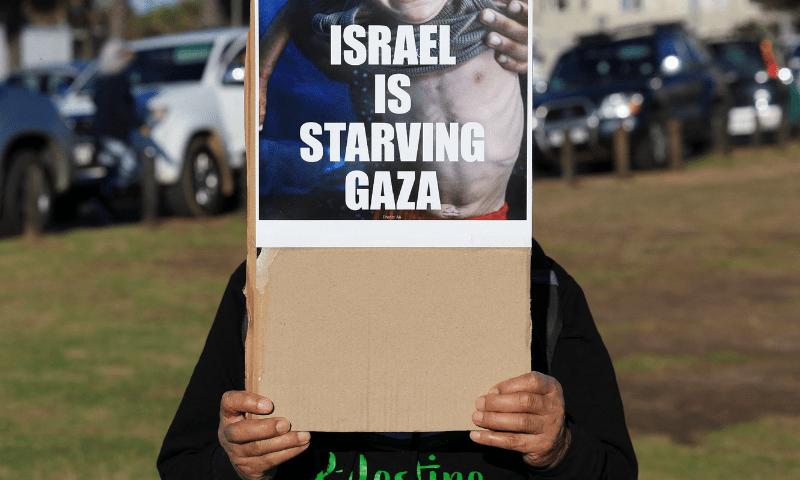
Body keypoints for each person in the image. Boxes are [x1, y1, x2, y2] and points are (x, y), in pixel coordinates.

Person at [156, 238, 638, 479]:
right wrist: (235, 465)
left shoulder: (539, 288)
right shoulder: (269, 280)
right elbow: (183, 463)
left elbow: (615, 469)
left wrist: (560, 451)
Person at [259, 0, 531, 220]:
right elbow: (294, 11)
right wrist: (260, 77)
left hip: (489, 214)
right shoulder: (363, 20)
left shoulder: (496, 12)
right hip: (402, 212)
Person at [89, 38, 160, 199]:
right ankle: (107, 197)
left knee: (111, 169)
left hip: (100, 133)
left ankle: (106, 202)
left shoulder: (99, 81)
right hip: (114, 133)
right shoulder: (119, 80)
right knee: (130, 165)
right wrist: (140, 124)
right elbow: (122, 109)